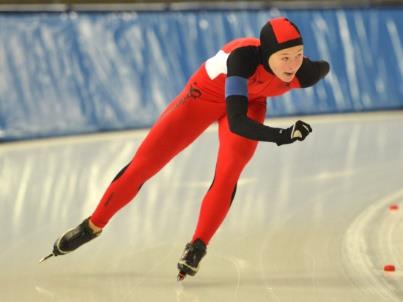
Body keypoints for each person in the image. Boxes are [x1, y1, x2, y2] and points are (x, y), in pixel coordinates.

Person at [42, 16, 329, 280]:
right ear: (266, 55)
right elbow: (239, 123)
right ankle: (92, 225)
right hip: (202, 100)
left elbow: (322, 67)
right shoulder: (242, 59)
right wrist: (283, 134)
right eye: (285, 58)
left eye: (298, 55)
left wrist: (309, 67)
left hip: (248, 103)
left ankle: (198, 246)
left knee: (229, 172)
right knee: (144, 165)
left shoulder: (305, 72)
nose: (292, 65)